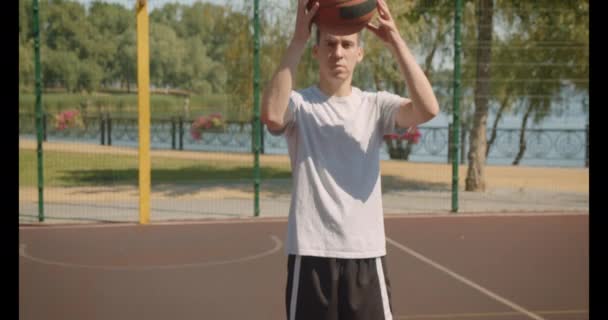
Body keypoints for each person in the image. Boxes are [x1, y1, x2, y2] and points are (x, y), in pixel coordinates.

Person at [261, 0, 439, 319]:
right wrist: (299, 38)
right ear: (316, 52)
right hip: (311, 253)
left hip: (365, 255)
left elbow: (428, 109)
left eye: (347, 44)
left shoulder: (375, 106)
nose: (338, 52)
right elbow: (272, 114)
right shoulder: (300, 105)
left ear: (360, 53)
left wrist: (396, 40)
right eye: (329, 44)